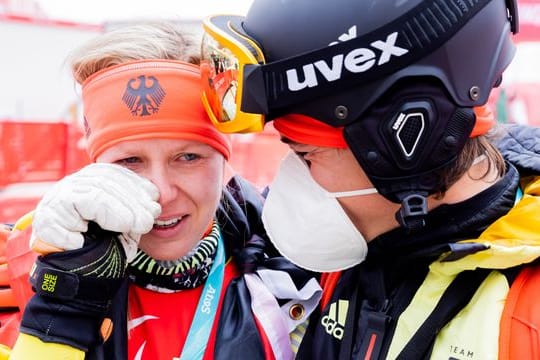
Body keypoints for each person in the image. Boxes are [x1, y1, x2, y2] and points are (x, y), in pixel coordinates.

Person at [200, 0, 540, 359]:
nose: (292, 181)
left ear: (407, 143)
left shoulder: (528, 307)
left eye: (305, 155)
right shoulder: (350, 248)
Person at [5, 22, 321, 359]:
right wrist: (61, 313)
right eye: (130, 160)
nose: (162, 193)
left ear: (224, 160)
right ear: (95, 166)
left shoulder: (301, 263)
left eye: (188, 157)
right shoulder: (25, 274)